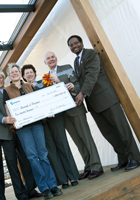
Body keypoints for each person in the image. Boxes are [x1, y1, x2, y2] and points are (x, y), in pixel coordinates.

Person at [67, 35, 140, 171]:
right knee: (109, 133)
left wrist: (82, 93)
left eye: (76, 43)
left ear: (82, 43)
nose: (74, 46)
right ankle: (123, 159)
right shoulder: (76, 62)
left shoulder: (90, 54)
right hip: (94, 104)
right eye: (71, 45)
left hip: (106, 99)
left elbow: (92, 75)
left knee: (122, 129)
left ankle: (135, 157)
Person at [42, 52, 104, 180]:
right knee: (78, 141)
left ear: (56, 58)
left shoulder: (67, 68)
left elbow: (77, 84)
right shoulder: (45, 78)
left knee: (86, 137)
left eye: (53, 56)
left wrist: (70, 87)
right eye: (48, 58)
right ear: (45, 62)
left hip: (75, 107)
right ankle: (88, 166)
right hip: (62, 114)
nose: (51, 59)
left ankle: (97, 166)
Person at [3, 63, 62, 200]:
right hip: (22, 128)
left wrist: (48, 112)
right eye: (12, 72)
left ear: (19, 73)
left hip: (36, 124)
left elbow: (38, 103)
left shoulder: (29, 86)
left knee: (43, 155)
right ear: (9, 75)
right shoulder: (7, 90)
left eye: (16, 71)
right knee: (32, 158)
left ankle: (52, 185)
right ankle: (44, 187)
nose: (15, 73)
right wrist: (14, 121)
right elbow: (7, 108)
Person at [0, 70, 42, 200]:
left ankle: (31, 189)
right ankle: (21, 194)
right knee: (12, 164)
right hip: (6, 133)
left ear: (4, 78)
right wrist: (5, 119)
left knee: (26, 160)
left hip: (21, 129)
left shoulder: (11, 89)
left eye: (0, 78)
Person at [21, 64, 79, 189]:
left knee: (62, 145)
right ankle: (62, 180)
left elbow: (55, 94)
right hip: (41, 124)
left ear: (35, 73)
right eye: (27, 73)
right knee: (50, 150)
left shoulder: (45, 82)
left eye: (31, 72)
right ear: (23, 77)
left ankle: (73, 176)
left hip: (56, 118)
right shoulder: (23, 90)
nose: (29, 74)